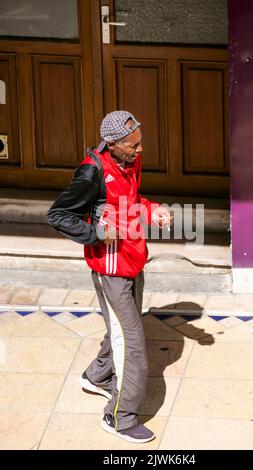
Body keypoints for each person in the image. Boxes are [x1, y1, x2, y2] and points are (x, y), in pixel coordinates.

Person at [47, 111, 172, 444]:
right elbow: (58, 215)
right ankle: (120, 417)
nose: (140, 149)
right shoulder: (92, 172)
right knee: (131, 343)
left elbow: (131, 202)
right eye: (133, 145)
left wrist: (152, 209)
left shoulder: (129, 163)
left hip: (133, 259)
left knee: (120, 329)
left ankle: (96, 376)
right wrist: (97, 232)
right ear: (114, 144)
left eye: (140, 142)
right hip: (109, 268)